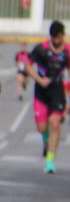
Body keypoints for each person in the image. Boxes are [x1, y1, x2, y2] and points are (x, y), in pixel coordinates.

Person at [28, 20, 68, 174]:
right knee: (42, 127)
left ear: (63, 36)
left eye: (59, 38)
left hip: (57, 90)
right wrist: (39, 80)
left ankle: (50, 161)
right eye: (54, 38)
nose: (56, 41)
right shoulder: (41, 49)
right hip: (41, 91)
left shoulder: (67, 51)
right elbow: (27, 65)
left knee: (55, 124)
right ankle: (46, 141)